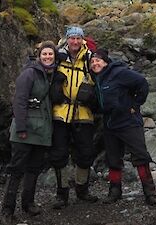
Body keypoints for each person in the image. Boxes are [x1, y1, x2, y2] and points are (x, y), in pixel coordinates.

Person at [89, 49, 156, 205]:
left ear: (106, 62)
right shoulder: (97, 79)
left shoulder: (118, 72)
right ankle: (115, 192)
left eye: (98, 61)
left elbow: (141, 83)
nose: (95, 63)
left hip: (128, 122)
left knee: (140, 156)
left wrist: (136, 104)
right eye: (92, 62)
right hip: (109, 124)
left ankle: (150, 193)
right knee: (113, 158)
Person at [1, 41, 56, 225]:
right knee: (16, 170)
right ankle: (7, 211)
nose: (48, 57)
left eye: (51, 54)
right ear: (39, 56)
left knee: (34, 168)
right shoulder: (29, 73)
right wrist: (22, 127)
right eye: (45, 54)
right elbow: (19, 101)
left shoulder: (51, 75)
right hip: (24, 132)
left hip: (42, 131)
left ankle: (28, 203)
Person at [50, 26, 98, 209]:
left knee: (85, 153)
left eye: (78, 38)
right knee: (59, 154)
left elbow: (101, 76)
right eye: (72, 38)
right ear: (67, 39)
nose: (75, 42)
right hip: (60, 113)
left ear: (82, 40)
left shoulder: (89, 58)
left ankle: (82, 190)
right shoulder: (58, 58)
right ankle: (62, 194)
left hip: (83, 113)